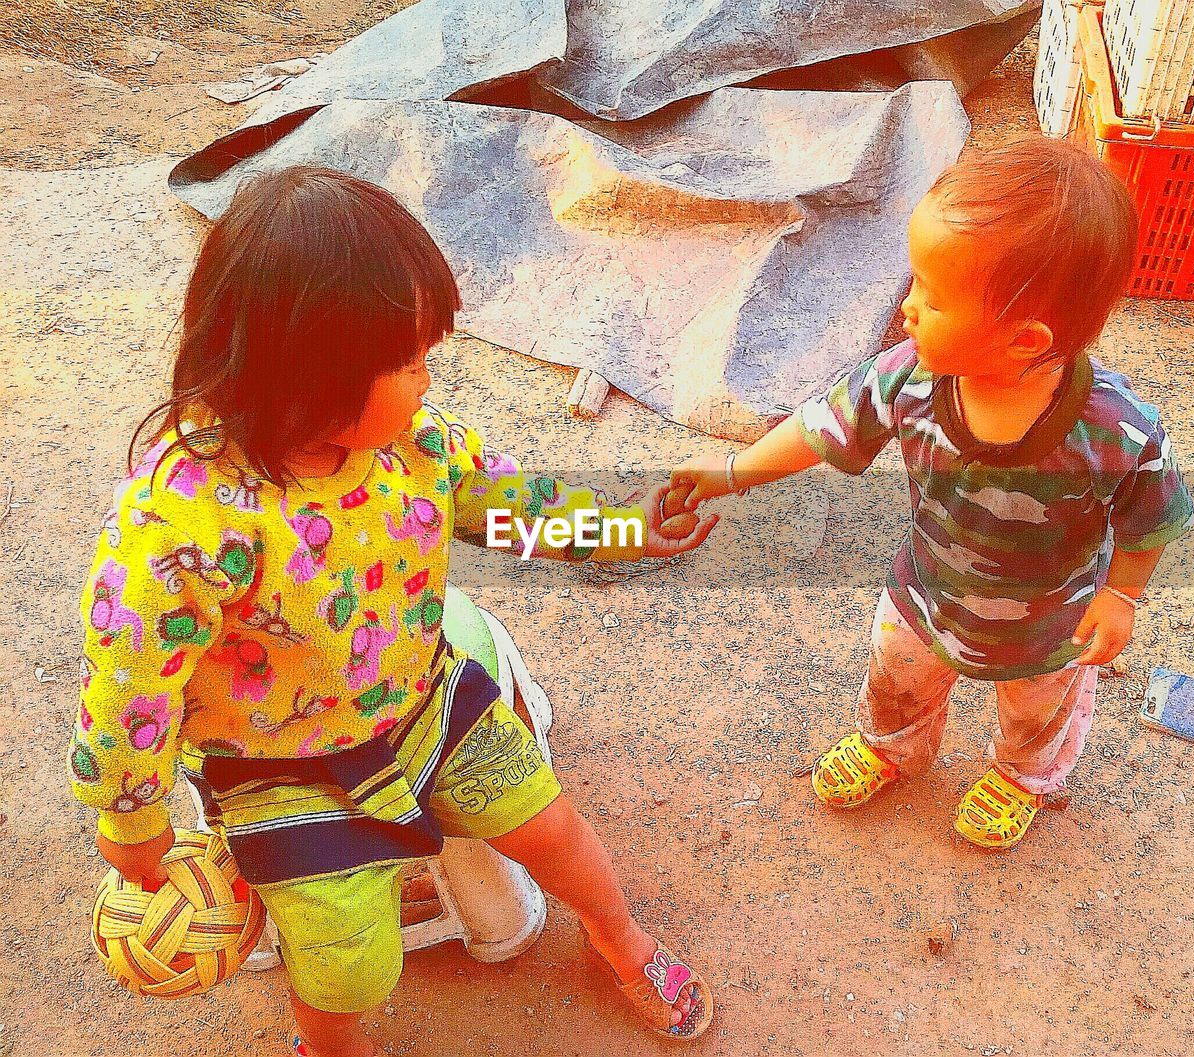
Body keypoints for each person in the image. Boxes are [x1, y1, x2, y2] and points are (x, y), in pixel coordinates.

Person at [69, 166, 718, 1057]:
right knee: (348, 964)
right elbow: (129, 681)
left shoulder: (412, 448)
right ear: (313, 376)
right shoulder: (183, 521)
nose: (427, 378)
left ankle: (619, 934)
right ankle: (335, 1045)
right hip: (279, 770)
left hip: (425, 701)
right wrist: (131, 816)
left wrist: (622, 528)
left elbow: (506, 506)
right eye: (408, 359)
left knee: (553, 827)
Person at [671, 138, 1194, 851]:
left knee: (1038, 712)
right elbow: (819, 425)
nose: (908, 307)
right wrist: (734, 471)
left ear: (1023, 339)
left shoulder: (1118, 430)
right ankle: (893, 745)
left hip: (1051, 623)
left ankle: (1021, 777)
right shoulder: (907, 380)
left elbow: (1151, 518)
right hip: (925, 595)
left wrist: (1122, 595)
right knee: (897, 678)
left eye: (932, 295)